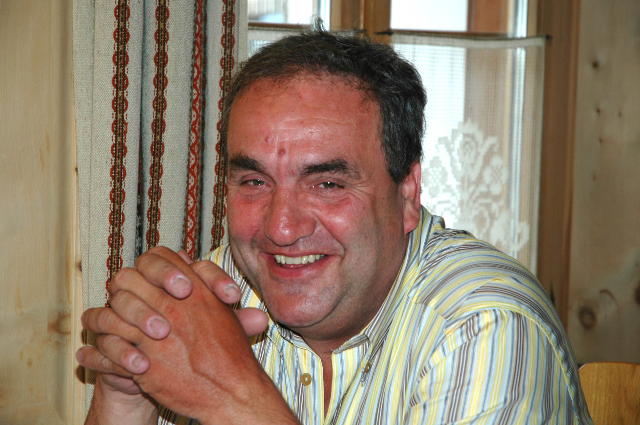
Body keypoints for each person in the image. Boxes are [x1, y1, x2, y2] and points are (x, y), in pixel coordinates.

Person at [77, 30, 592, 424]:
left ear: (407, 194)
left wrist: (231, 395)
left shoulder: (487, 326)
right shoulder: (223, 287)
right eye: (254, 181)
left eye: (327, 184)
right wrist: (125, 394)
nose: (281, 229)